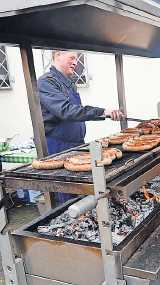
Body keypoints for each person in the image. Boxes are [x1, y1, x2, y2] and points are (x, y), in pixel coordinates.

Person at [38, 50, 124, 203]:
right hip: (57, 146)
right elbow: (66, 111)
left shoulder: (69, 83)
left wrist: (105, 115)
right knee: (67, 193)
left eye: (76, 59)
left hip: (76, 143)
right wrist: (103, 112)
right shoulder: (46, 82)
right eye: (71, 58)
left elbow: (78, 113)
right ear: (57, 55)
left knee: (81, 191)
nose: (75, 62)